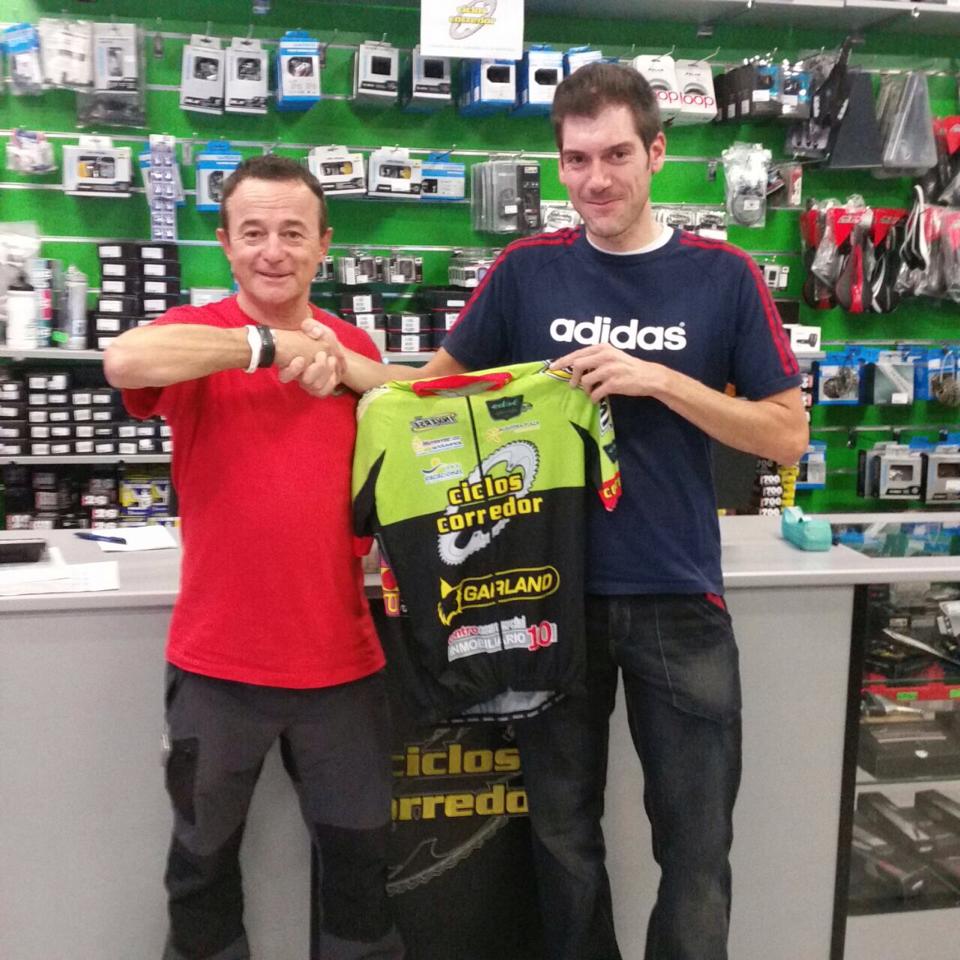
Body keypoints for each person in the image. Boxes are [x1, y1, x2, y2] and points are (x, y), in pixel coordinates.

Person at [290, 62, 809, 960]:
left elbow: (787, 435)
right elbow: (427, 396)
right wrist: (338, 366)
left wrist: (659, 381)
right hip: (541, 597)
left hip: (677, 599)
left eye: (616, 155)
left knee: (696, 850)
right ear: (558, 164)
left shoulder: (722, 277)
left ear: (657, 153)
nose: (595, 179)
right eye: (576, 160)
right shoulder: (527, 271)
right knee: (563, 837)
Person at [103, 154, 404, 960]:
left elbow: (411, 407)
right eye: (255, 232)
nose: (274, 251)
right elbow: (124, 362)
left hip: (341, 667)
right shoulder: (195, 334)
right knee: (200, 876)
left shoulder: (349, 344)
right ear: (226, 243)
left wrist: (346, 368)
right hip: (217, 669)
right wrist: (264, 346)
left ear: (324, 245)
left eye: (293, 233)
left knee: (362, 881)